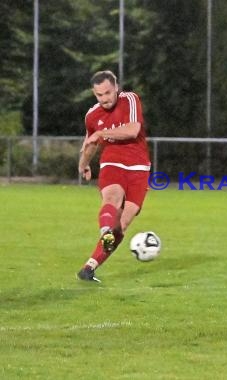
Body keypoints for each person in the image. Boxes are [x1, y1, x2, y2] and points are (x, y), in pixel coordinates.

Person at [76, 70, 151, 283]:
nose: (105, 98)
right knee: (112, 199)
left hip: (139, 167)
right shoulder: (92, 116)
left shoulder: (130, 100)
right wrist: (83, 165)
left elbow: (133, 130)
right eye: (99, 95)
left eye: (108, 93)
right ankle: (105, 229)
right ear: (94, 94)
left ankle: (89, 268)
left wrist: (102, 134)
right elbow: (89, 143)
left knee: (123, 224)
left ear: (116, 87)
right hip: (112, 162)